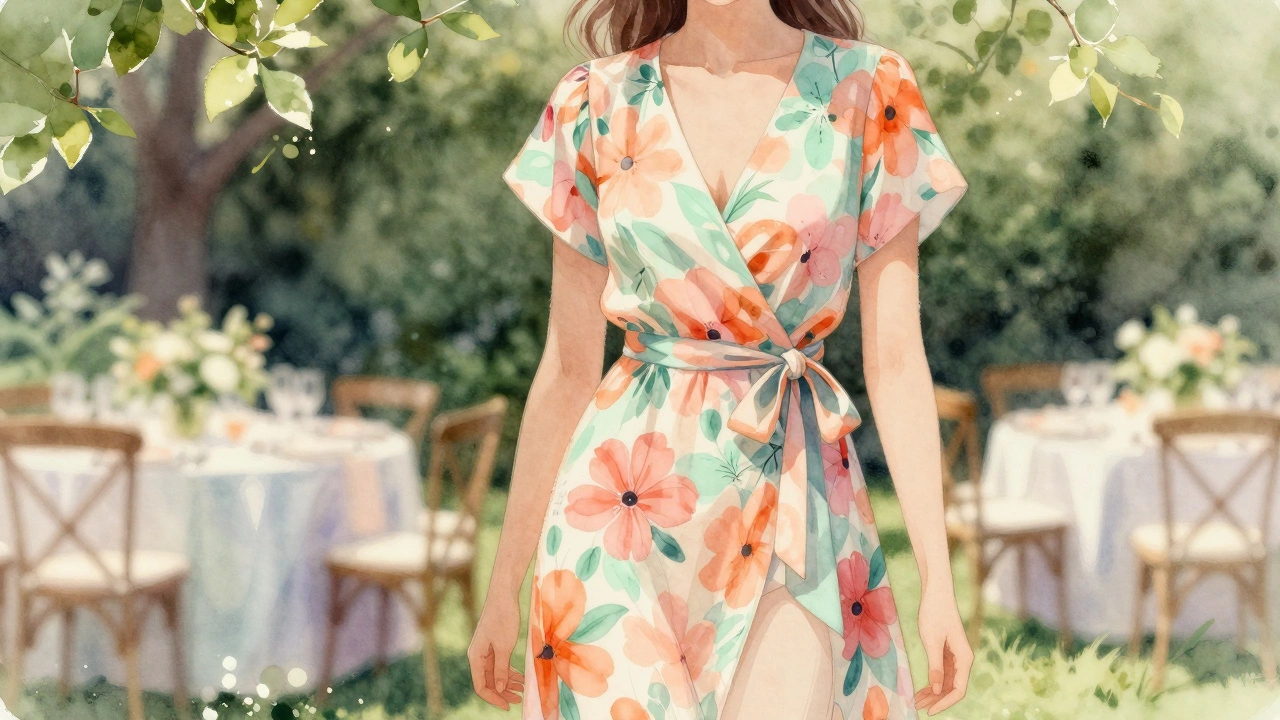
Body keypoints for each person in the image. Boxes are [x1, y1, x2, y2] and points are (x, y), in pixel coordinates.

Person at [469, 0, 972, 717]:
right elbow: (568, 367)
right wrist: (504, 586)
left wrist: (940, 588)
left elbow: (895, 366)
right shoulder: (594, 99)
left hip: (791, 490)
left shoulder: (870, 88)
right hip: (617, 510)